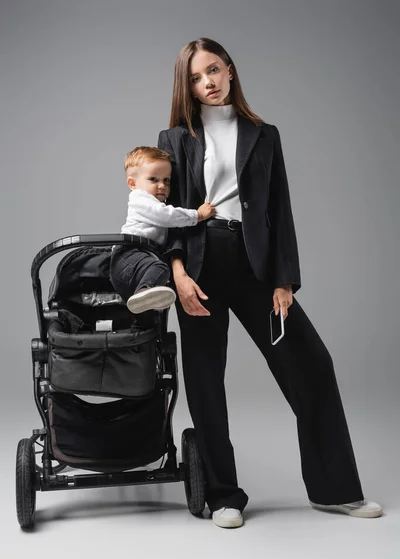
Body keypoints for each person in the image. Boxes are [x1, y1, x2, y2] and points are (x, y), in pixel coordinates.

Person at [157, 38, 383, 528]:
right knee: (205, 381)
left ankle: (335, 490)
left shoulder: (264, 134)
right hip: (198, 264)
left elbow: (280, 210)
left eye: (213, 70)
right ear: (187, 87)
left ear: (231, 70)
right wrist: (178, 276)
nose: (208, 82)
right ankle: (224, 497)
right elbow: (168, 216)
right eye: (196, 77)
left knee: (313, 366)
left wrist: (286, 281)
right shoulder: (174, 138)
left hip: (255, 263)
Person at [110, 146, 215, 314]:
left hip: (140, 260)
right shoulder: (140, 199)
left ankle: (145, 299)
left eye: (166, 180)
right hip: (128, 255)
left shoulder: (154, 201)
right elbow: (166, 216)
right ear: (132, 183)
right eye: (153, 179)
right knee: (159, 269)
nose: (162, 186)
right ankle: (145, 293)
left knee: (160, 271)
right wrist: (198, 215)